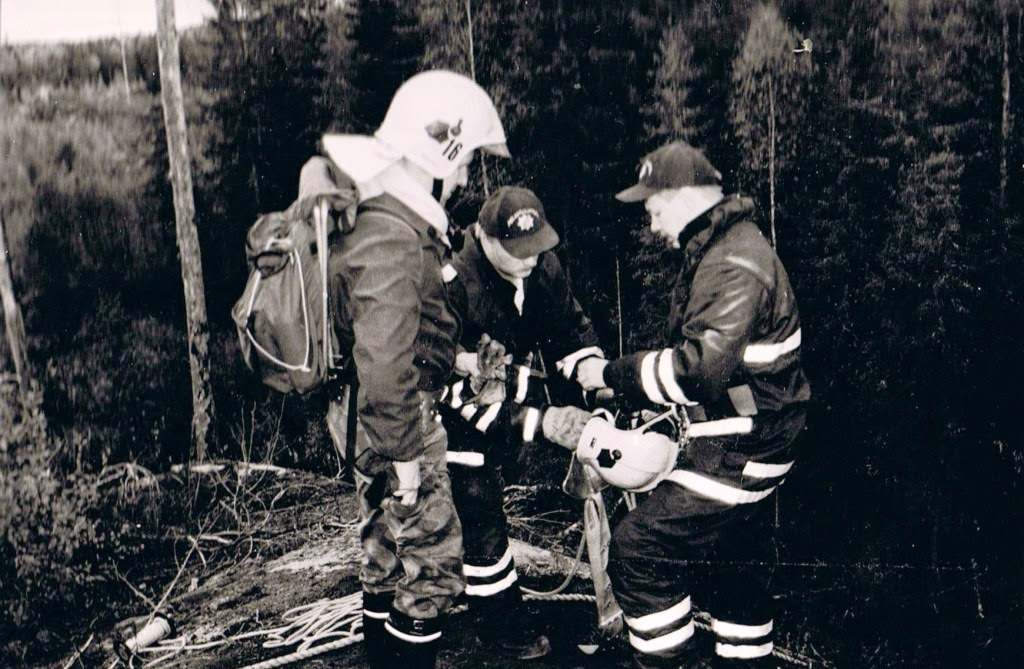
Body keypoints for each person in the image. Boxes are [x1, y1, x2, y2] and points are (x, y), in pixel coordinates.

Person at [576, 141, 811, 669]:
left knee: (639, 551)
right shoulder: (725, 246)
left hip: (745, 443)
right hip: (754, 432)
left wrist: (612, 374)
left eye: (654, 209)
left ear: (682, 196)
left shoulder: (731, 261)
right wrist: (639, 397)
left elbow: (700, 371)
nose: (652, 223)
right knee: (731, 561)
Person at [313, 70, 511, 669]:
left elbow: (397, 331)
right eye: (465, 160)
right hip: (396, 418)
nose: (465, 177)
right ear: (437, 154)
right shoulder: (393, 237)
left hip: (368, 414)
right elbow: (384, 363)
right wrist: (406, 458)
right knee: (432, 573)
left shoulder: (382, 217)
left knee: (384, 551)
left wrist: (458, 359)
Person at [441, 185, 605, 660]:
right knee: (475, 495)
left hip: (503, 394)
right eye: (518, 250)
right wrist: (542, 421)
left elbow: (569, 329)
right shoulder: (453, 284)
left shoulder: (540, 266)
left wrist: (597, 376)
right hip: (444, 408)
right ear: (486, 238)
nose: (531, 258)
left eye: (537, 247)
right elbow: (454, 391)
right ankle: (498, 624)